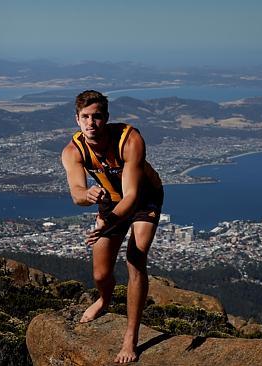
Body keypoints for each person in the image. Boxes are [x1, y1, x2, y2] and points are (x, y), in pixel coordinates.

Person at [61, 90, 164, 363]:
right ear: (77, 119)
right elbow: (76, 194)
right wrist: (88, 196)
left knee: (135, 258)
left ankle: (131, 337)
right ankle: (104, 300)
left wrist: (107, 221)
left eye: (97, 117)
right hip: (110, 202)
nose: (91, 123)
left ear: (106, 118)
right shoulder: (73, 151)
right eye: (85, 117)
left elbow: (131, 196)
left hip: (144, 198)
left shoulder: (129, 140)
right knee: (100, 273)